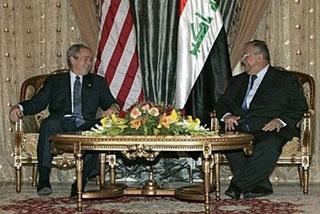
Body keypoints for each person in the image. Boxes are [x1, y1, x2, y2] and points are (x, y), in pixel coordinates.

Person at [9, 44, 120, 196]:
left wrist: (113, 108)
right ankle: (44, 179)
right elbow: (39, 102)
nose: (90, 63)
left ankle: (82, 181)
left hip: (86, 124)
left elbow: (111, 102)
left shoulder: (97, 82)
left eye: (90, 60)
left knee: (102, 128)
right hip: (61, 122)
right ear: (72, 59)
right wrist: (19, 108)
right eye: (86, 59)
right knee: (49, 123)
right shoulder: (55, 81)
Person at [215, 40, 308, 199]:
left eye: (246, 55)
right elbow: (222, 102)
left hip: (270, 127)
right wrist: (227, 116)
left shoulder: (285, 79)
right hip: (240, 126)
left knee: (269, 145)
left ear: (259, 57)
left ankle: (238, 185)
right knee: (230, 144)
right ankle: (261, 186)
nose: (243, 59)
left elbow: (300, 106)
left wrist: (280, 120)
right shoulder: (238, 81)